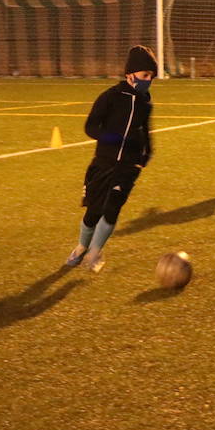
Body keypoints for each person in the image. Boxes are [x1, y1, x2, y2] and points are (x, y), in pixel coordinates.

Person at [65, 46, 159, 273]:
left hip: (128, 166)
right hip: (103, 163)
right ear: (130, 74)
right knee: (93, 212)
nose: (148, 81)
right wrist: (111, 139)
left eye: (151, 77)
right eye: (145, 75)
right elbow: (90, 127)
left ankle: (96, 252)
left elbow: (144, 129)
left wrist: (146, 153)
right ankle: (81, 247)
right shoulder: (110, 97)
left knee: (113, 208)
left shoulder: (145, 102)